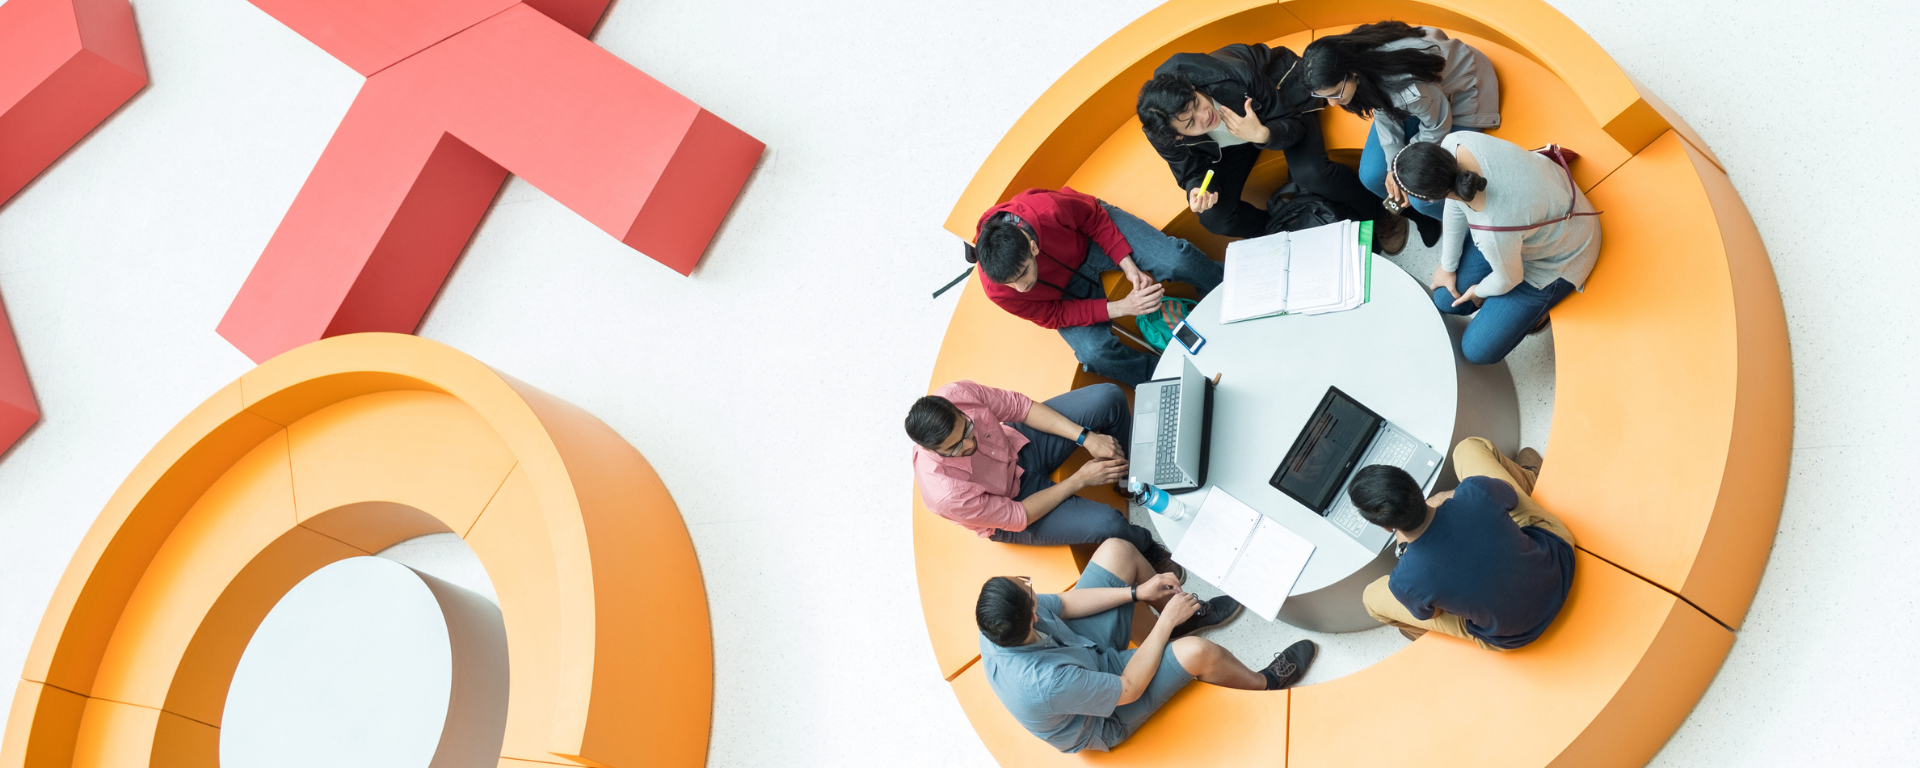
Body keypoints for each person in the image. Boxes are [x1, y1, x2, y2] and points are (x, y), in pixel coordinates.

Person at [976, 537, 1317, 753]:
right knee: (1198, 653)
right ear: (1031, 616)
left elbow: (1065, 605)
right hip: (1103, 713)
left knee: (1118, 550)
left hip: (1080, 652)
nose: (1030, 586)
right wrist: (1167, 617)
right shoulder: (1045, 684)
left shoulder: (997, 620)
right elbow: (1129, 688)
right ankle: (1266, 682)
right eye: (1028, 589)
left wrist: (1137, 592)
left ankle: (1173, 626)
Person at [1135, 43, 1406, 254]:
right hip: (1235, 141)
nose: (1204, 116)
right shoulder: (1163, 133)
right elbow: (1191, 171)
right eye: (1190, 122)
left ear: (1191, 87)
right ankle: (1282, 231)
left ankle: (1379, 213)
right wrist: (1196, 188)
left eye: (1196, 103)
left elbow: (1292, 123)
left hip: (1278, 104)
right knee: (1214, 218)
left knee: (1311, 173)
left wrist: (1262, 133)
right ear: (1178, 137)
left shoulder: (1231, 76)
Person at [907, 380, 1178, 572]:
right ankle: (1147, 548)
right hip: (1014, 503)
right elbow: (1017, 516)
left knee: (1108, 397)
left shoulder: (958, 393)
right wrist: (1080, 479)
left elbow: (1021, 408)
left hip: (1020, 445)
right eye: (954, 448)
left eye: (967, 429)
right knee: (1109, 524)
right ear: (931, 450)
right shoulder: (944, 493)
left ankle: (1129, 479)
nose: (968, 444)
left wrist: (1085, 437)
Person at [973, 188, 1223, 388]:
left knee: (1176, 259)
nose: (1021, 288)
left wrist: (1129, 266)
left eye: (1022, 274)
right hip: (1065, 290)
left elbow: (1093, 218)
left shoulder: (1047, 209)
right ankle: (1170, 382)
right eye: (1010, 283)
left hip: (1091, 234)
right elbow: (1053, 315)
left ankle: (1230, 288)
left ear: (1033, 248)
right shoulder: (998, 288)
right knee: (1094, 354)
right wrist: (1122, 307)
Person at [1347, 437, 1574, 650]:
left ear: (1387, 526)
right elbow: (1510, 498)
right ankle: (1529, 477)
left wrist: (1404, 551)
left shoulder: (1404, 581)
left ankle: (1427, 638)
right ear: (1415, 486)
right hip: (1560, 566)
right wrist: (1446, 497)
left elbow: (1433, 614)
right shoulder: (1475, 491)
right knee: (1468, 447)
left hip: (1515, 634)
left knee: (1372, 598)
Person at [1395, 135, 1601, 364]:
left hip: (1561, 256)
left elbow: (1510, 278)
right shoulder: (1456, 142)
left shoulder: (1490, 232)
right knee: (1445, 298)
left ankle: (1538, 311)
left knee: (1476, 350)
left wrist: (1479, 291)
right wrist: (1447, 266)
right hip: (1540, 208)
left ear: (1434, 199)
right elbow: (1455, 203)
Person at [1304, 21, 1501, 243]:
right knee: (1371, 176)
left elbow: (1437, 125)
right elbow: (1383, 106)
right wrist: (1393, 164)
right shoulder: (1357, 59)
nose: (1331, 103)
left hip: (1463, 97)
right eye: (1323, 96)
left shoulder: (1405, 86)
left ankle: (1470, 230)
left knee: (1423, 198)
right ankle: (1422, 218)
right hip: (1424, 101)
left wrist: (1399, 166)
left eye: (1335, 93)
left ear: (1352, 73)